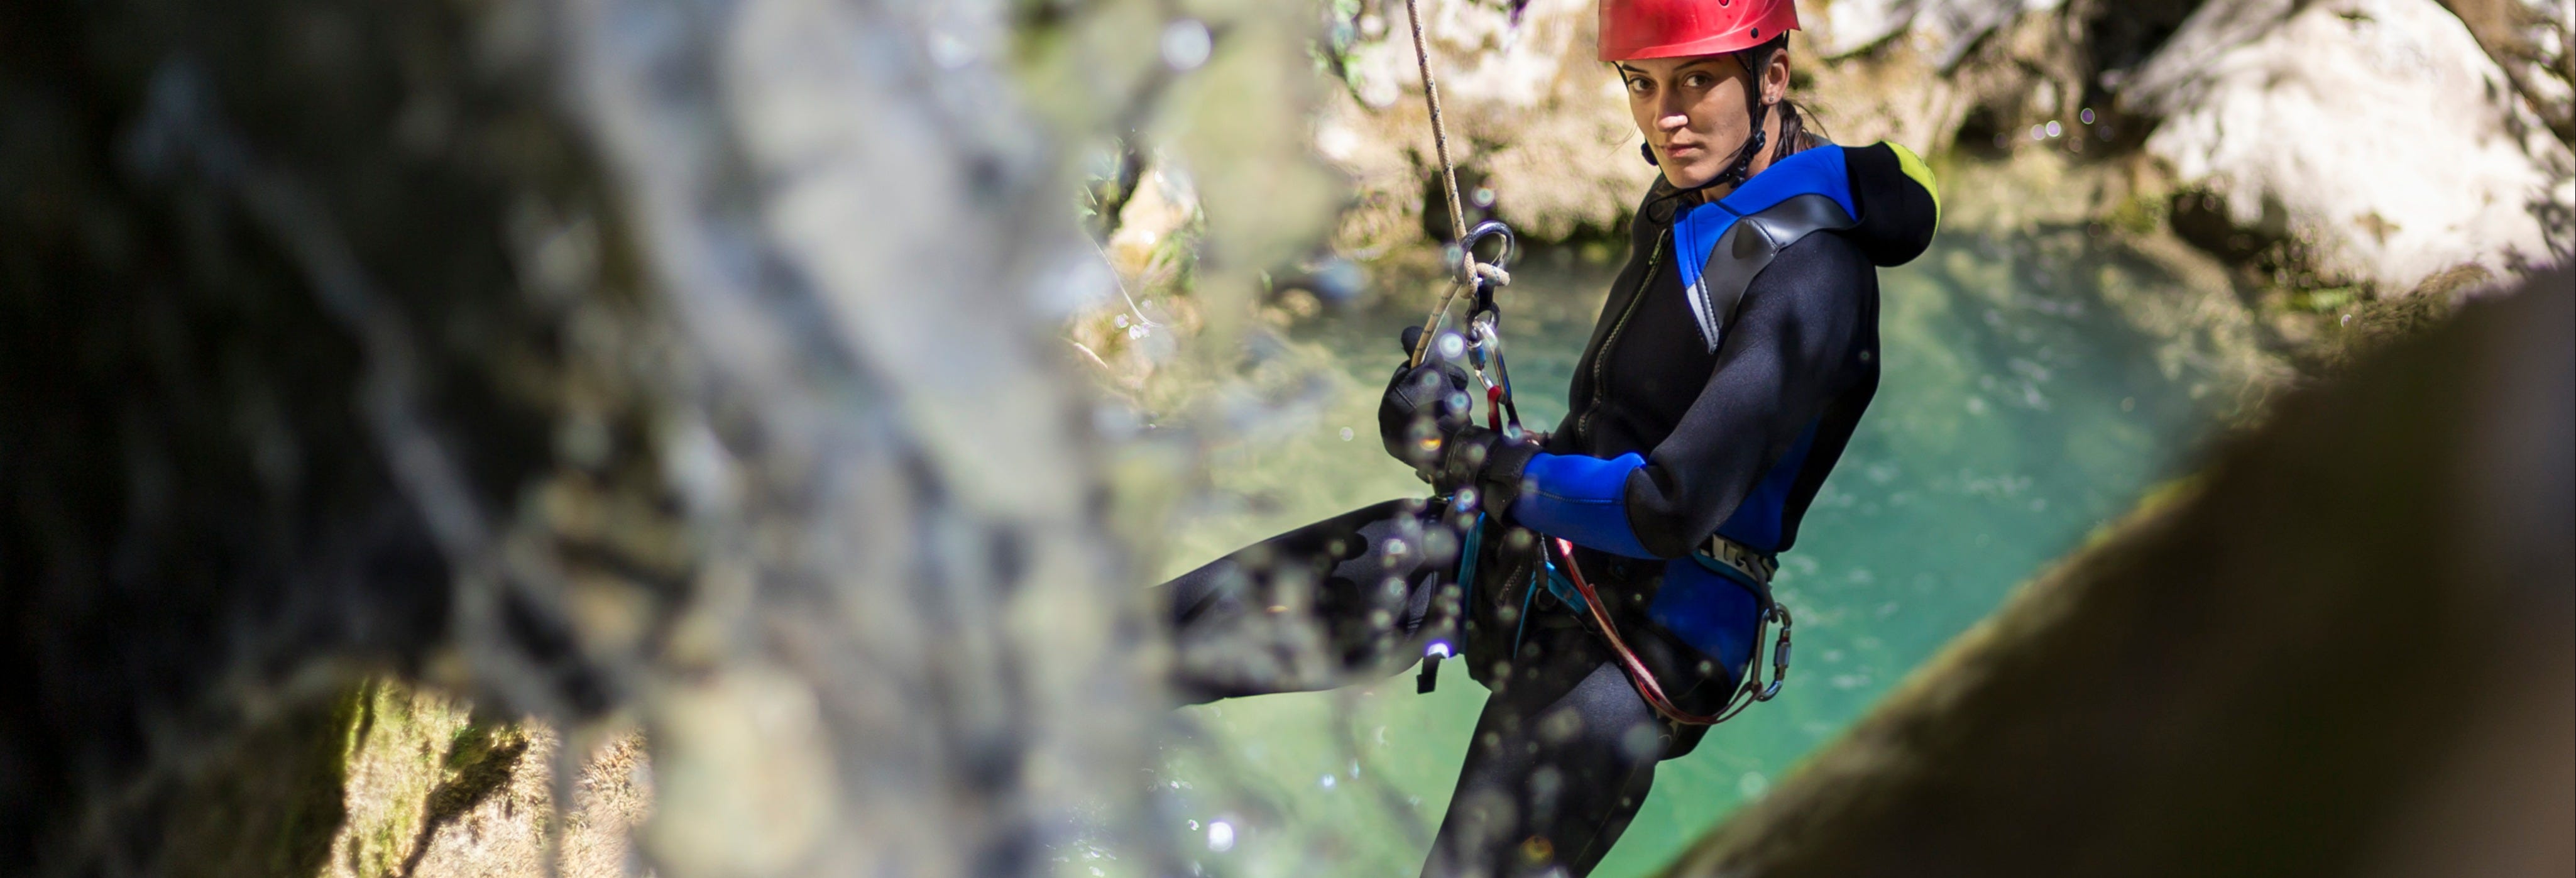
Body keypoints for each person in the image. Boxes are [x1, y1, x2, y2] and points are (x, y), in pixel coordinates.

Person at [1156, 0, 1940, 874]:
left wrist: (1471, 459)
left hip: (1639, 653)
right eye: (1641, 85)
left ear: (1774, 77)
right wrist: (1454, 421)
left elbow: (1667, 505)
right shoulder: (1694, 193)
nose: (1666, 117)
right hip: (1542, 557)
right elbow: (1616, 434)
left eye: (1697, 81)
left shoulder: (1814, 275)